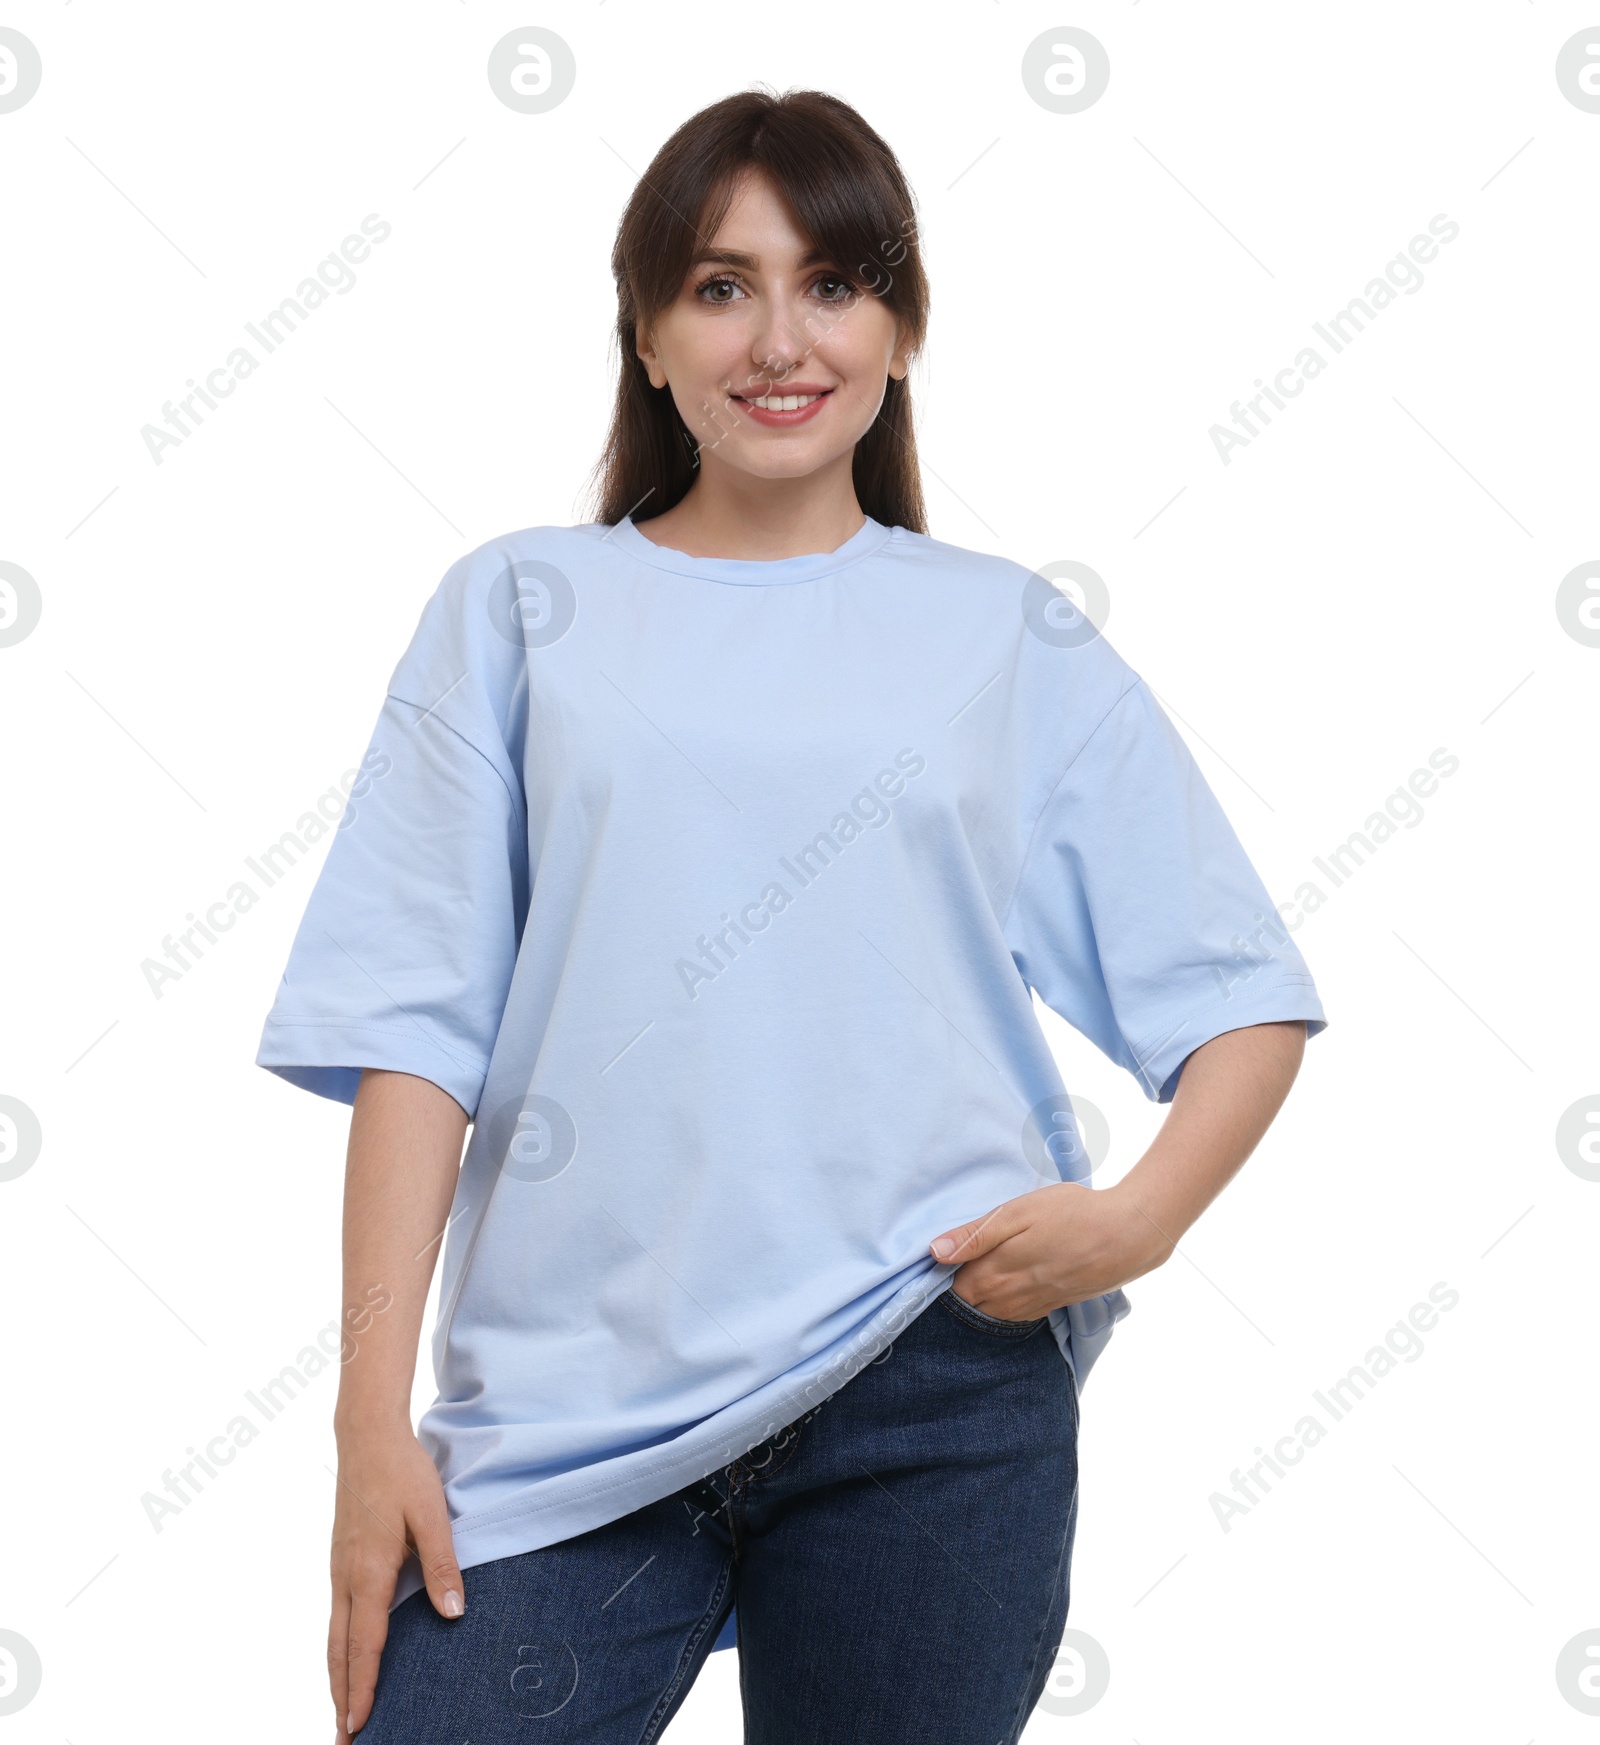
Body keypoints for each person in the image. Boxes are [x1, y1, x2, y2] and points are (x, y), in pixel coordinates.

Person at [257, 87, 1327, 1745]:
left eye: (834, 283)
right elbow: (413, 1034)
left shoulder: (1003, 638)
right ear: (647, 329)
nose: (780, 336)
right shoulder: (521, 609)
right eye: (718, 283)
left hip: (930, 1377)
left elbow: (1239, 996)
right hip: (566, 1410)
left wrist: (1140, 1218)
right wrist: (363, 1425)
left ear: (903, 330)